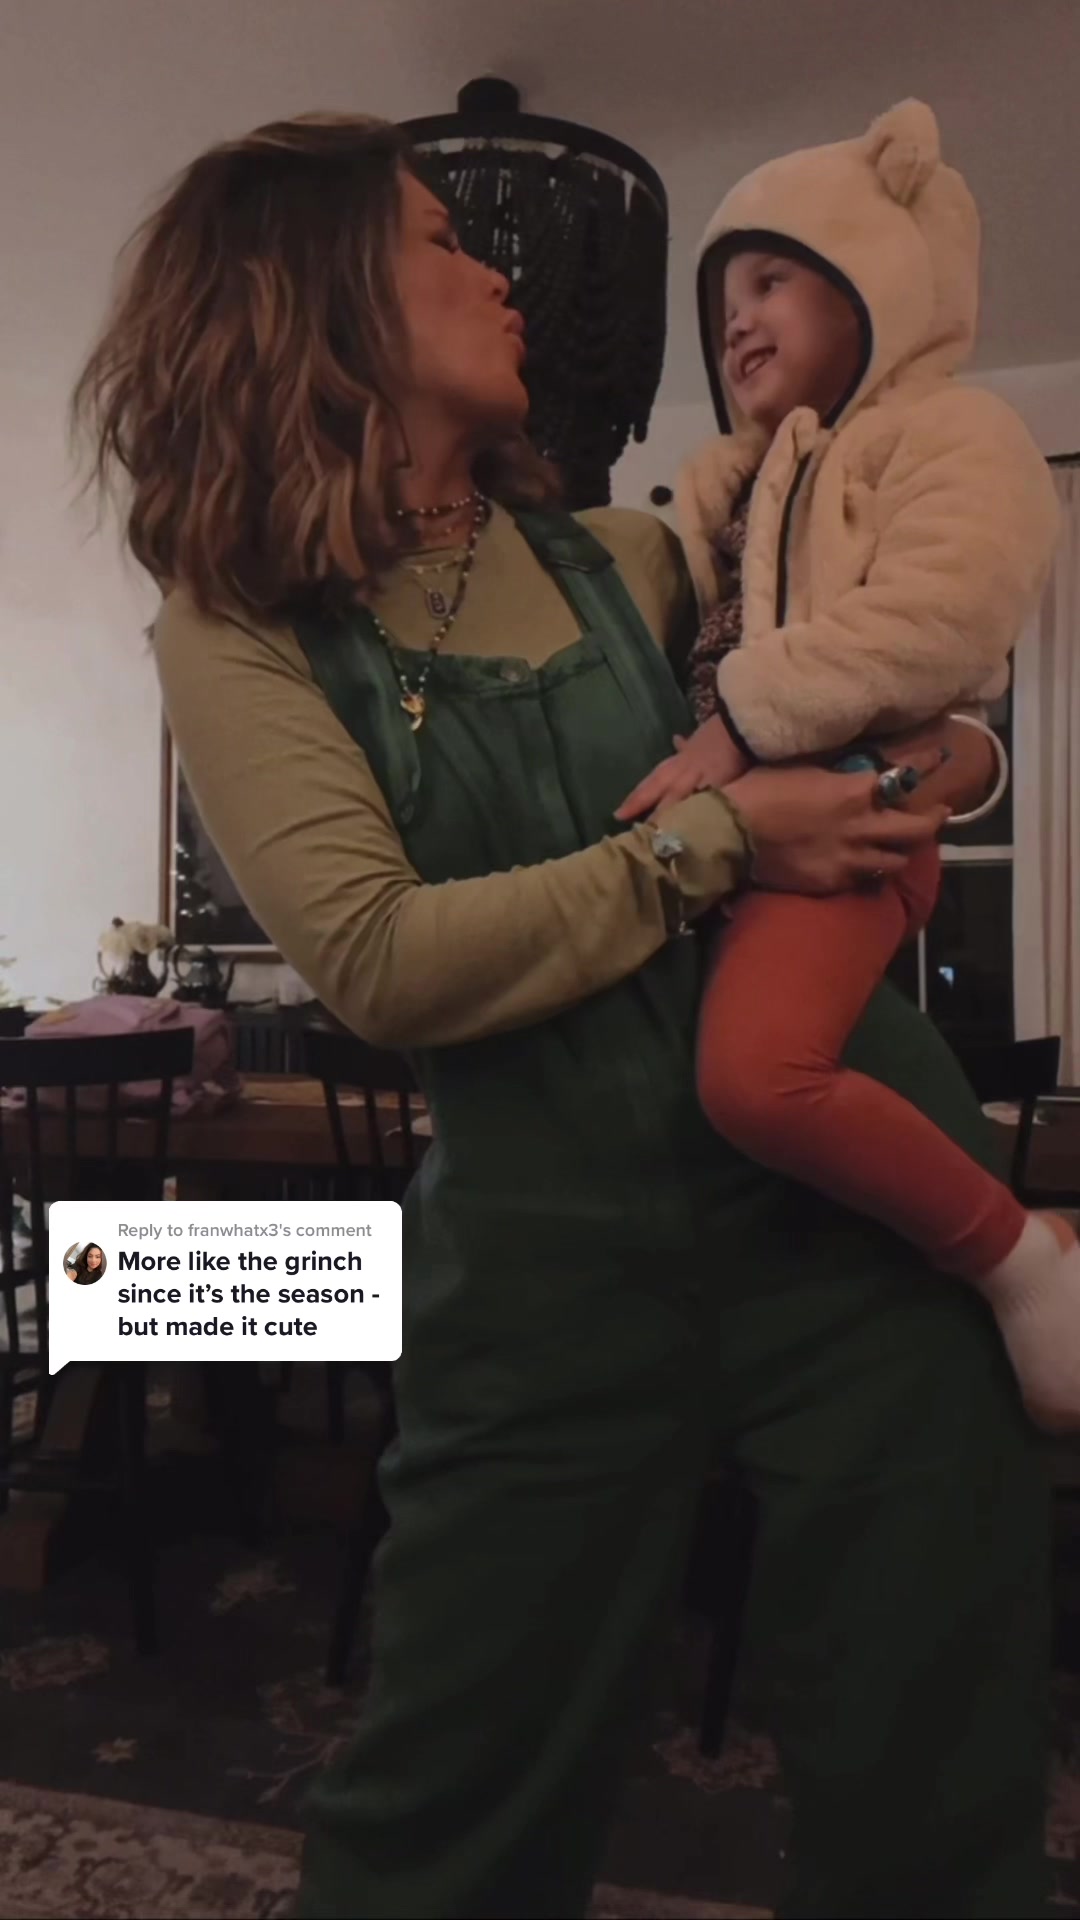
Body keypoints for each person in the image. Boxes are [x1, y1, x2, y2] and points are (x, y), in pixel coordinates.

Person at [73, 114, 1051, 1919]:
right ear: (319, 294)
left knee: (942, 1784)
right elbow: (379, 958)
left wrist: (949, 764)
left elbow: (906, 694)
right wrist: (716, 839)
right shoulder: (234, 629)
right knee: (446, 1817)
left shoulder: (639, 560)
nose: (499, 270)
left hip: (859, 1229)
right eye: (444, 240)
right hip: (543, 1278)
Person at [614, 100, 1077, 1434]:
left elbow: (943, 615)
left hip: (853, 823)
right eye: (724, 305)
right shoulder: (732, 484)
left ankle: (1019, 1254)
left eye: (773, 281)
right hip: (748, 832)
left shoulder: (952, 434)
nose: (738, 324)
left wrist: (741, 723)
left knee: (753, 1080)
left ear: (873, 287)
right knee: (714, 1097)